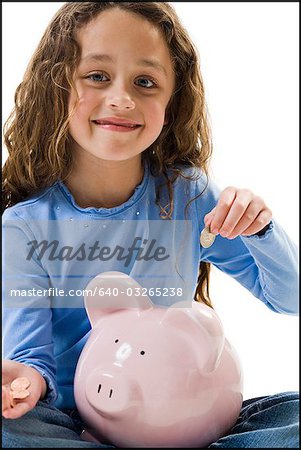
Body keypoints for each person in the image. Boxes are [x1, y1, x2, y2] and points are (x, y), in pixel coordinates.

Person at [2, 2, 298, 448]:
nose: (122, 99)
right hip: (70, 419)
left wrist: (260, 229)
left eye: (145, 82)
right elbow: (32, 359)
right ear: (57, 85)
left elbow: (289, 297)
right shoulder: (26, 225)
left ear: (171, 100)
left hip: (189, 415)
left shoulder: (189, 198)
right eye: (97, 76)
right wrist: (23, 382)